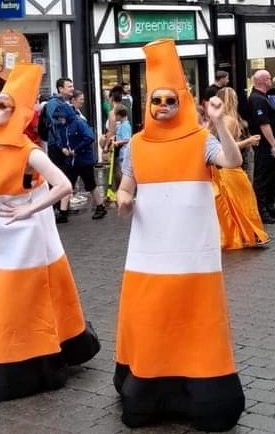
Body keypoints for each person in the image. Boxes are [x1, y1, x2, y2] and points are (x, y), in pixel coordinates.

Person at [114, 39, 245, 429]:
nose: (163, 107)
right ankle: (149, 385)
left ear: (183, 103)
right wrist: (123, 198)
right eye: (157, 100)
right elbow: (126, 184)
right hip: (149, 255)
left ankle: (202, 387)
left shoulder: (199, 140)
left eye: (171, 100)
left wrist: (219, 122)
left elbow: (233, 162)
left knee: (195, 319)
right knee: (154, 318)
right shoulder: (136, 145)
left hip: (193, 256)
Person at [0, 64, 100, 401]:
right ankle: (13, 354)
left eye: (5, 106)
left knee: (22, 298)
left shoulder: (28, 151)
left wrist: (29, 208)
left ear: (20, 114)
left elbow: (64, 185)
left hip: (24, 237)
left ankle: (33, 359)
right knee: (1, 300)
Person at [212, 87, 269, 249]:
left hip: (227, 167)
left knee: (236, 201)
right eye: (235, 97)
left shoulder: (226, 119)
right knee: (241, 200)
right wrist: (248, 141)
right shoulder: (229, 120)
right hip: (230, 168)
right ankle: (247, 233)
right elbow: (226, 147)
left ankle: (245, 233)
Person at [52, 102, 108, 221]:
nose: (60, 120)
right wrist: (63, 148)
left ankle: (100, 207)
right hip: (72, 160)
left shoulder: (78, 122)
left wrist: (76, 149)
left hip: (83, 160)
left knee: (90, 184)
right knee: (67, 185)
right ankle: (63, 212)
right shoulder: (64, 126)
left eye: (61, 117)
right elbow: (60, 140)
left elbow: (89, 137)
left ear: (65, 115)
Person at [247, 70, 275, 225]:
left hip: (271, 146)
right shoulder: (257, 99)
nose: (272, 81)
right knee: (263, 178)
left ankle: (270, 206)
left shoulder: (264, 97)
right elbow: (264, 124)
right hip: (265, 146)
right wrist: (273, 144)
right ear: (263, 80)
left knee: (272, 177)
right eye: (269, 78)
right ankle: (261, 210)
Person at [44, 78, 75, 174]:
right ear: (61, 89)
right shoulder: (53, 104)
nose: (72, 88)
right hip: (57, 147)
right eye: (69, 86)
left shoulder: (64, 103)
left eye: (72, 86)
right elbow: (55, 126)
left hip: (64, 145)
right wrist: (62, 146)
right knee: (59, 175)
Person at [113, 105, 132, 170]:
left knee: (123, 171)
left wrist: (117, 142)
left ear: (119, 115)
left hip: (124, 154)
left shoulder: (125, 126)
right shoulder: (121, 124)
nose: (115, 117)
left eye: (115, 115)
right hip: (121, 154)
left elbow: (127, 139)